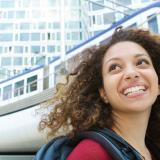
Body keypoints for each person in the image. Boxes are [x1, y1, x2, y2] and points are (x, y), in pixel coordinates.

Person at [39, 27, 160, 160]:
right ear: (103, 93)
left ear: (158, 85)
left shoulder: (152, 149)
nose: (131, 73)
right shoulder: (91, 154)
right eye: (115, 67)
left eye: (141, 62)